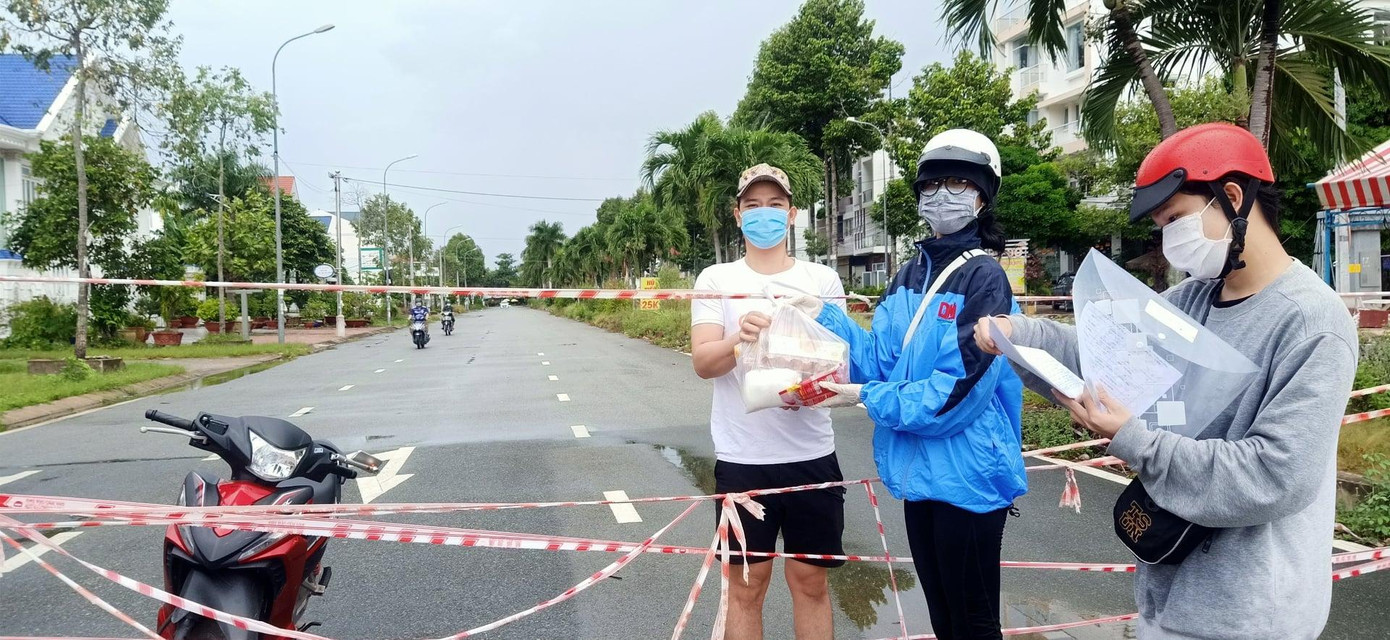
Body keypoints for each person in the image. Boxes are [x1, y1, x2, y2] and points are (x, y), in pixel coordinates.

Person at [975, 123, 1358, 639]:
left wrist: (1135, 439)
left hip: (1249, 612)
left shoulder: (1312, 322)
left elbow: (1276, 475)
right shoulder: (1192, 300)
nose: (1168, 240)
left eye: (1175, 219)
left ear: (1232, 197)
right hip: (1170, 591)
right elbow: (1101, 353)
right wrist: (1019, 333)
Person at [798, 130, 1026, 640]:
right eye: (932, 184)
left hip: (968, 478)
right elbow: (879, 361)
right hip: (918, 476)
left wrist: (865, 397)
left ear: (981, 196)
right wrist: (824, 317)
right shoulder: (909, 274)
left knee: (973, 621)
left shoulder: (985, 278)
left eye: (956, 183)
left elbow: (956, 396)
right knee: (943, 616)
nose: (941, 195)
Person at [690, 163, 847, 640]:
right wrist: (740, 336)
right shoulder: (716, 279)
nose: (765, 214)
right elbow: (703, 362)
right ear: (738, 216)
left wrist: (811, 390)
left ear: (793, 214)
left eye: (775, 205)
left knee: (811, 582)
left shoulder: (822, 281)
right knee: (746, 585)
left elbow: (840, 369)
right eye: (753, 206)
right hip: (743, 460)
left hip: (812, 456)